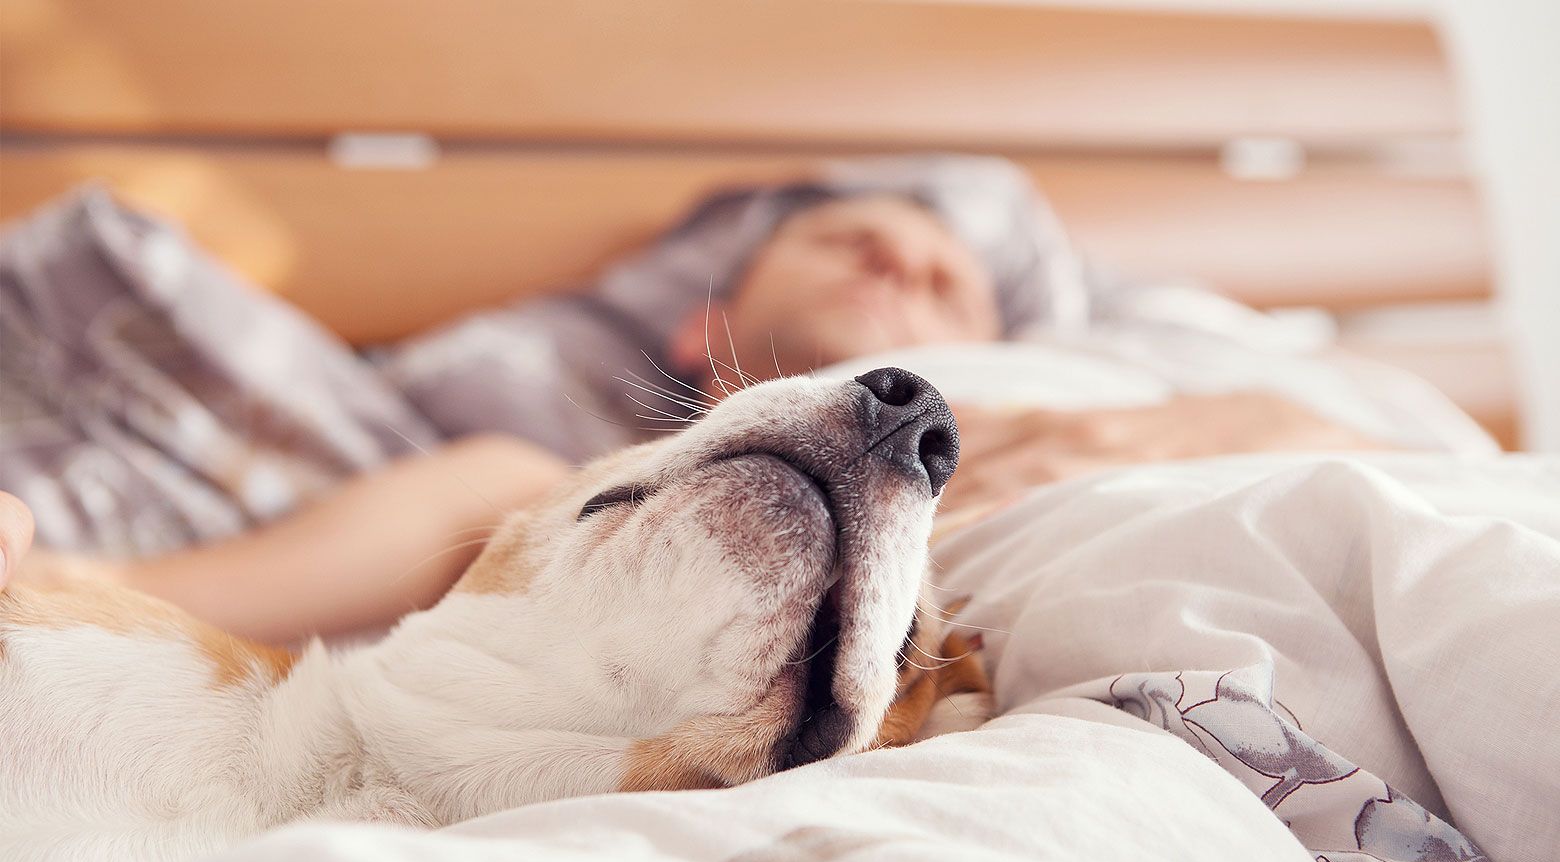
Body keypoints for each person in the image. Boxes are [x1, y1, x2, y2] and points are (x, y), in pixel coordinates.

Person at [1, 165, 1389, 644]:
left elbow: (1364, 445)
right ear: (699, 322)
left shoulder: (1098, 385)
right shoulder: (554, 461)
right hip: (607, 513)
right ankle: (79, 590)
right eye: (851, 242)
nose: (902, 258)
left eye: (945, 285)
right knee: (501, 474)